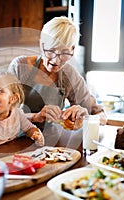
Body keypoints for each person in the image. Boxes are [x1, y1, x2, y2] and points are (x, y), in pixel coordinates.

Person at [8, 16, 107, 147]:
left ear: (72, 49)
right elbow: (3, 114)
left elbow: (101, 115)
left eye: (65, 52)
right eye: (51, 50)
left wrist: (85, 119)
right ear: (41, 44)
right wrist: (35, 116)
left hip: (51, 144)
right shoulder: (20, 67)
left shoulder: (69, 75)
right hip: (16, 140)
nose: (56, 60)